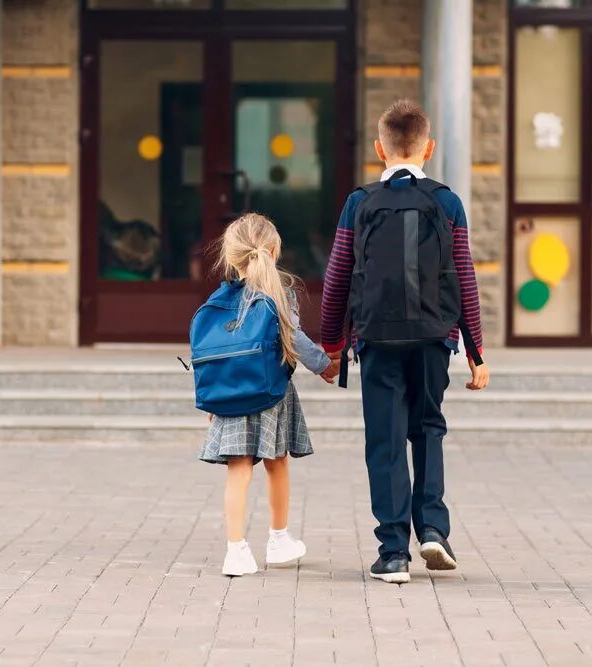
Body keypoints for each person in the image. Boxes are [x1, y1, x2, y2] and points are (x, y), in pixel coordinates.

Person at [319, 99, 490, 584]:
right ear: (428, 149)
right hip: (435, 336)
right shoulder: (447, 201)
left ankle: (393, 552)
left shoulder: (360, 203)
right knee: (428, 428)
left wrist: (332, 344)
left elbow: (336, 279)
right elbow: (465, 277)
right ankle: (433, 529)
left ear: (380, 149)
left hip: (376, 339)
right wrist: (476, 352)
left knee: (386, 439)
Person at [199, 213, 341, 577]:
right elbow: (295, 338)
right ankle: (278, 540)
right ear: (274, 251)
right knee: (277, 463)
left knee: (238, 470)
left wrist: (211, 398)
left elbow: (209, 352)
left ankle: (236, 550)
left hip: (229, 394)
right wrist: (325, 365)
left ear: (230, 257)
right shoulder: (280, 292)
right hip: (270, 394)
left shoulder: (219, 299)